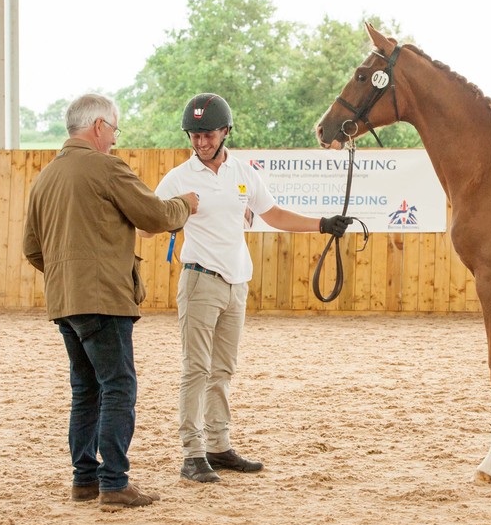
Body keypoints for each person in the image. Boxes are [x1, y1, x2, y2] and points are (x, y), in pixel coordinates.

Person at [143, 93, 351, 483]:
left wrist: (322, 224)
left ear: (225, 132)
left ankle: (218, 446)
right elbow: (146, 225)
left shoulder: (243, 173)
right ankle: (192, 454)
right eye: (194, 136)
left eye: (208, 135)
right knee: (196, 369)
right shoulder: (178, 178)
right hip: (199, 280)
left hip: (236, 282)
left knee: (222, 369)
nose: (201, 142)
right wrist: (177, 210)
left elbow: (274, 214)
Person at [23, 93, 199, 510]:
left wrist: (67, 275)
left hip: (64, 301)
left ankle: (84, 479)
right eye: (114, 130)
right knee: (119, 386)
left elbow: (32, 248)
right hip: (103, 299)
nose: (115, 139)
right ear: (99, 126)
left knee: (85, 390)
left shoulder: (45, 177)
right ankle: (115, 482)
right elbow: (154, 215)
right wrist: (185, 205)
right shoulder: (106, 167)